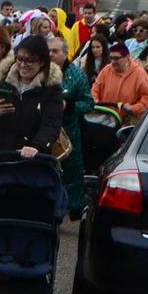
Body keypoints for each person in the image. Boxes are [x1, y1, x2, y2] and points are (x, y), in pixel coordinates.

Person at [0, 33, 65, 195]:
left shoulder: (51, 90)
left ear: (41, 62)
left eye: (29, 60)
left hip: (29, 162)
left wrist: (36, 146)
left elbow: (51, 126)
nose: (23, 65)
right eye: (19, 59)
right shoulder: (2, 83)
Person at [53, 38, 95, 215]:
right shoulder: (41, 72)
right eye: (48, 51)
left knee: (71, 168)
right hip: (44, 127)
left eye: (55, 51)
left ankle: (74, 206)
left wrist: (69, 106)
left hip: (69, 128)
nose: (50, 55)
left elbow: (88, 103)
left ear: (65, 53)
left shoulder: (77, 75)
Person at [93, 41, 148, 119]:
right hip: (105, 119)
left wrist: (133, 108)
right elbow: (95, 89)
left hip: (127, 121)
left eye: (116, 58)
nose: (113, 62)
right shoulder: (106, 70)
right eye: (111, 58)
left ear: (127, 57)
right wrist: (94, 99)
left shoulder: (139, 74)